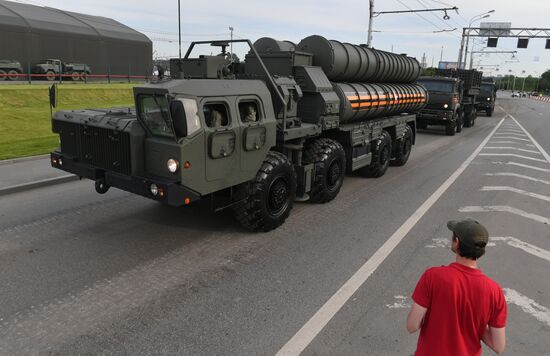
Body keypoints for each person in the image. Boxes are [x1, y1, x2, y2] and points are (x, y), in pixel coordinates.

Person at [407, 218, 507, 355]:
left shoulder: (433, 276)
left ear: (457, 242)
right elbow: (498, 346)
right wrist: (475, 323)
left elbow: (412, 326)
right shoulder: (494, 291)